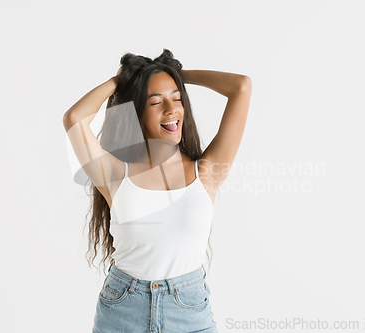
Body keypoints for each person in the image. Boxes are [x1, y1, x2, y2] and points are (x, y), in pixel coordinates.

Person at [63, 49, 252, 333]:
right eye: (156, 102)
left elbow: (241, 87)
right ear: (137, 111)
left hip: (188, 311)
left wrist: (174, 74)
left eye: (176, 98)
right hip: (123, 309)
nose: (171, 108)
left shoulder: (207, 171)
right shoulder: (115, 174)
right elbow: (75, 118)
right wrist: (123, 81)